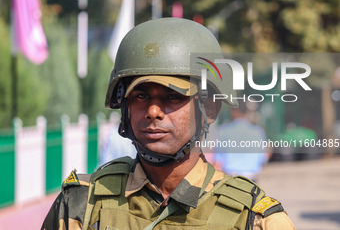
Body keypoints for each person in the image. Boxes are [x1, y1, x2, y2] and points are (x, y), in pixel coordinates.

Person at [41, 18, 296, 230]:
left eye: (173, 96)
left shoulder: (254, 219)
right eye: (140, 96)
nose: (153, 111)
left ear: (208, 109)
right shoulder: (81, 205)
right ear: (124, 106)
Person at [213, 100, 269, 182]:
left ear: (233, 111)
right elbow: (264, 157)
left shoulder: (223, 131)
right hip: (252, 179)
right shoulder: (258, 131)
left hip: (230, 178)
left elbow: (218, 159)